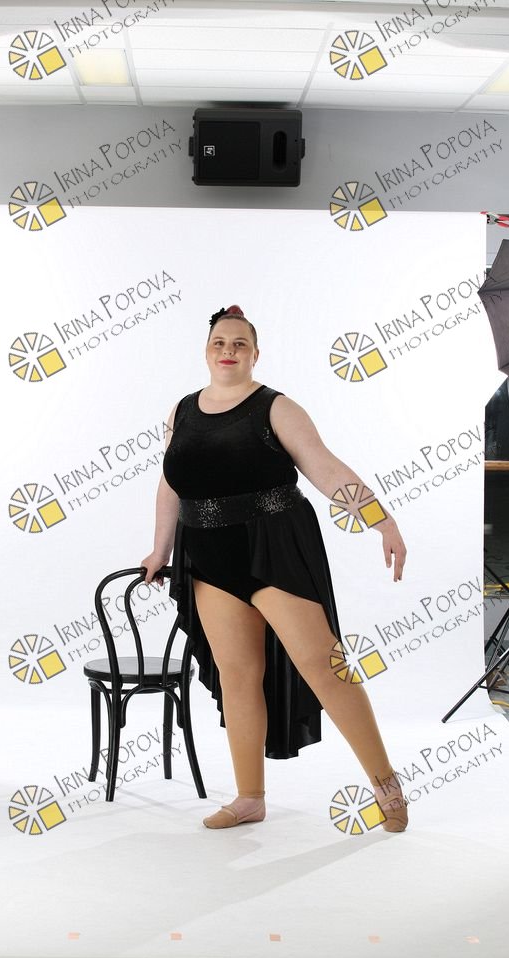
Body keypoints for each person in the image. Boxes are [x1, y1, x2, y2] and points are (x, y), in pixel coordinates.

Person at [141, 305, 408, 832]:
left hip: (273, 545)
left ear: (255, 354)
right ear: (206, 351)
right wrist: (159, 550)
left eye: (239, 343)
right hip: (208, 552)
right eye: (220, 342)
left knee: (325, 667)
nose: (228, 351)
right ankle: (249, 799)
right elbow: (172, 481)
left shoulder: (276, 407)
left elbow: (324, 468)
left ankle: (387, 787)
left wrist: (383, 521)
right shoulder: (182, 411)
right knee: (239, 676)